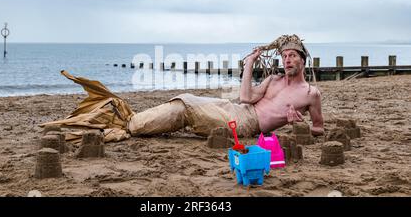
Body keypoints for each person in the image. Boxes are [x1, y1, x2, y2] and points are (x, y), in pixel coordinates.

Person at [42, 35, 324, 142]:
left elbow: (318, 129)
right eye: (284, 56)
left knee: (185, 109)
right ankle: (130, 118)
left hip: (246, 126)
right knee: (186, 97)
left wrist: (296, 125)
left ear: (302, 60)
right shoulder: (273, 81)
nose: (287, 60)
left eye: (293, 56)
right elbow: (245, 97)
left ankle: (131, 125)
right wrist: (250, 62)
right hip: (238, 109)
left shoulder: (311, 94)